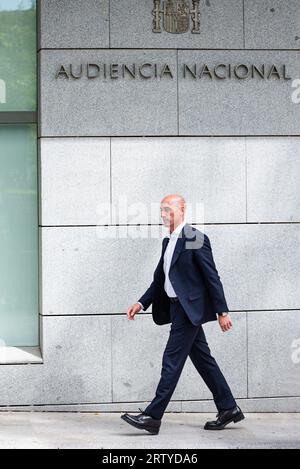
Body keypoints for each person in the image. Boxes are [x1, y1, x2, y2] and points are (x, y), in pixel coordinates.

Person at [121, 194, 244, 434]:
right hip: (177, 308)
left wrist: (223, 311)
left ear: (182, 209)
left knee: (172, 360)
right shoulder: (168, 241)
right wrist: (141, 302)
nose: (164, 215)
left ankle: (153, 416)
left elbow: (212, 276)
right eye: (161, 210)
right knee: (203, 360)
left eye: (168, 210)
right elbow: (161, 279)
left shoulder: (195, 238)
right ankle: (228, 407)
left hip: (189, 311)